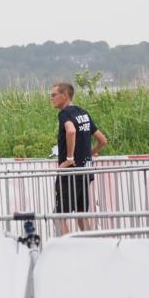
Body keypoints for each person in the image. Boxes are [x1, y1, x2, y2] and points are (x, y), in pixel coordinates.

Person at [50, 82, 108, 234]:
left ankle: (69, 252)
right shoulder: (84, 113)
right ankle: (89, 247)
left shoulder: (65, 114)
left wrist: (69, 158)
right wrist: (91, 152)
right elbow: (102, 140)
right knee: (81, 215)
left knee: (59, 216)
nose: (51, 98)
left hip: (70, 174)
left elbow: (70, 131)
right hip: (85, 172)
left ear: (65, 95)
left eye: (54, 95)